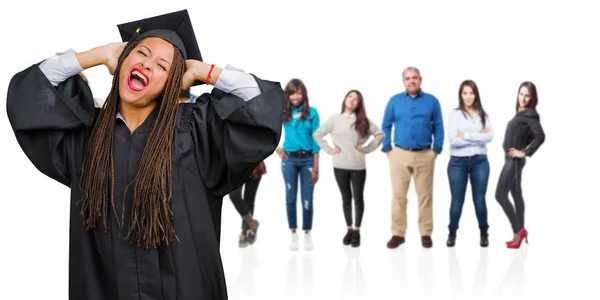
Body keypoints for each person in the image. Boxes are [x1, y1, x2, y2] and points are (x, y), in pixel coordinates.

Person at [6, 10, 283, 300]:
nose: (147, 65)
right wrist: (99, 54)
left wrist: (202, 71)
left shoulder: (196, 131)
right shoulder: (87, 137)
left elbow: (258, 105)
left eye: (162, 66)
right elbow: (31, 92)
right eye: (141, 53)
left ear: (172, 82)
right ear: (124, 61)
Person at [381, 67, 444, 249]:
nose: (411, 81)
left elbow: (438, 126)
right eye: (408, 78)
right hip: (399, 155)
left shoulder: (432, 101)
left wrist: (436, 150)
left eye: (414, 78)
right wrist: (388, 149)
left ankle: (425, 233)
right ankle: (398, 234)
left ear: (421, 79)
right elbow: (386, 125)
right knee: (398, 196)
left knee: (425, 196)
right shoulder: (394, 101)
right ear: (403, 81)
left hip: (425, 155)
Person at [313, 90, 384, 247]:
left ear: (359, 104)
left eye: (356, 99)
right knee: (346, 198)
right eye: (350, 97)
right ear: (345, 99)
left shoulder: (362, 120)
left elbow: (379, 135)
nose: (352, 100)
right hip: (339, 165)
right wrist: (331, 150)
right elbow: (317, 134)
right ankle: (349, 229)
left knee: (358, 197)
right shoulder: (335, 119)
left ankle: (357, 230)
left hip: (358, 165)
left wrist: (365, 149)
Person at [495, 81, 545, 249]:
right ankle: (520, 233)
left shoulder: (531, 114)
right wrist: (523, 146)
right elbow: (529, 135)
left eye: (527, 95)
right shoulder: (521, 113)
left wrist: (524, 151)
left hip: (514, 161)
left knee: (500, 195)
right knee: (516, 194)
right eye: (521, 94)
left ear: (532, 98)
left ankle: (518, 230)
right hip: (511, 160)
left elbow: (540, 136)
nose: (523, 98)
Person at [445, 80, 493, 248]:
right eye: (465, 93)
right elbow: (452, 140)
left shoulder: (483, 114)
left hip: (480, 162)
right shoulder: (454, 114)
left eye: (471, 93)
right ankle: (452, 232)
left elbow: (490, 137)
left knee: (480, 200)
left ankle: (484, 232)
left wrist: (464, 135)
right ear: (460, 95)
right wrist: (477, 136)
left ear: (476, 95)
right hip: (458, 162)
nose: (468, 96)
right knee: (457, 201)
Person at [275, 78, 320, 251]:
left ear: (304, 94)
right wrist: (276, 149)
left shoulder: (312, 113)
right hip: (289, 160)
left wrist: (316, 168)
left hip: (308, 159)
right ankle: (293, 233)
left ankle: (307, 232)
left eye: (299, 93)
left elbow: (316, 141)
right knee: (290, 198)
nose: (296, 97)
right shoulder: (282, 112)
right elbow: (267, 128)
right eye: (292, 93)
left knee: (307, 199)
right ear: (288, 95)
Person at [228, 161, 265, 247]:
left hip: (254, 166)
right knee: (234, 196)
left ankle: (245, 231)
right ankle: (252, 223)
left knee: (249, 199)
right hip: (237, 168)